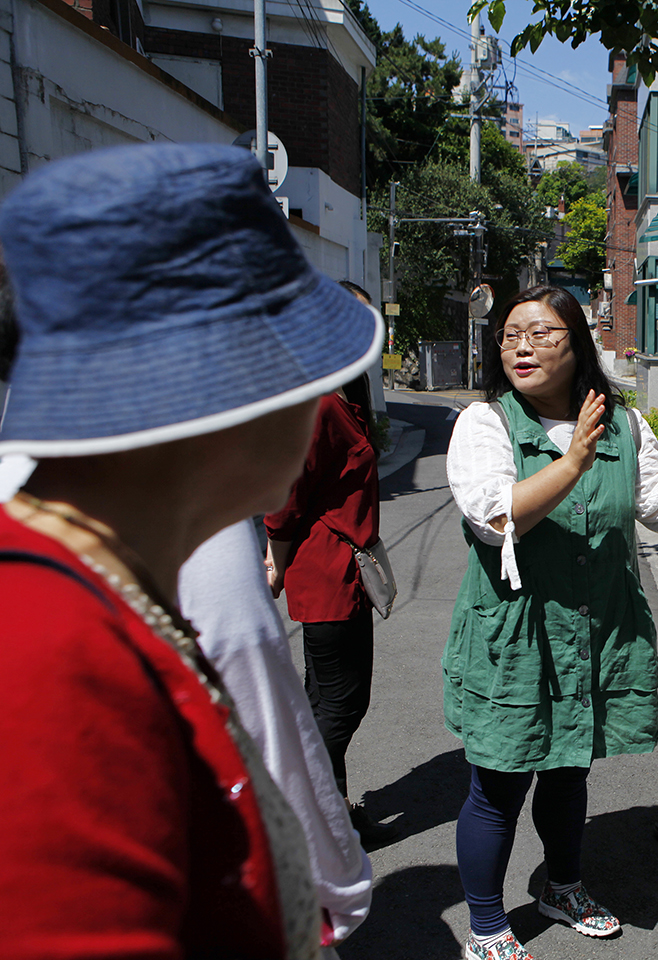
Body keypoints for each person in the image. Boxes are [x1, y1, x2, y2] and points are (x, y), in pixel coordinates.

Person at [0, 143, 383, 958]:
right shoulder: (46, 649)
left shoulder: (107, 585)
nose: (323, 393)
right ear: (232, 389)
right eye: (304, 360)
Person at [443, 285, 658, 960]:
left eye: (543, 334)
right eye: (512, 333)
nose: (522, 345)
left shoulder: (623, 424)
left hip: (594, 626)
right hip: (516, 636)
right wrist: (572, 461)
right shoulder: (485, 424)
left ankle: (562, 885)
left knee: (570, 768)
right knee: (500, 782)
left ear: (579, 347)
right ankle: (486, 924)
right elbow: (495, 521)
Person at [180, 520, 375, 959]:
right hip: (220, 877)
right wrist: (337, 870)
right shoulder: (209, 518)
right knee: (335, 706)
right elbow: (267, 719)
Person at [265, 280, 395, 849]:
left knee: (326, 695)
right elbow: (283, 495)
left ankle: (331, 805)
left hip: (347, 567)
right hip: (325, 569)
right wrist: (275, 559)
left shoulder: (346, 391)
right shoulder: (317, 402)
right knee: (342, 700)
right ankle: (300, 807)